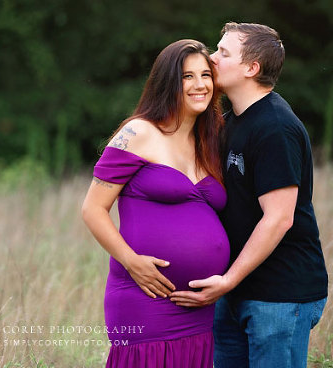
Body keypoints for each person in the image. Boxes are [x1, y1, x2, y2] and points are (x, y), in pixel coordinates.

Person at [169, 22, 329, 368]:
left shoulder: (276, 128)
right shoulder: (230, 122)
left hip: (280, 295)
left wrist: (228, 279)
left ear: (251, 68)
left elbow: (279, 218)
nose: (212, 58)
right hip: (235, 290)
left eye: (223, 52)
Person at [81, 39, 226, 367]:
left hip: (200, 307)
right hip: (145, 296)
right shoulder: (138, 132)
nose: (200, 84)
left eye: (206, 74)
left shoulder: (211, 138)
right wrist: (132, 262)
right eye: (187, 76)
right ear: (168, 82)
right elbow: (92, 208)